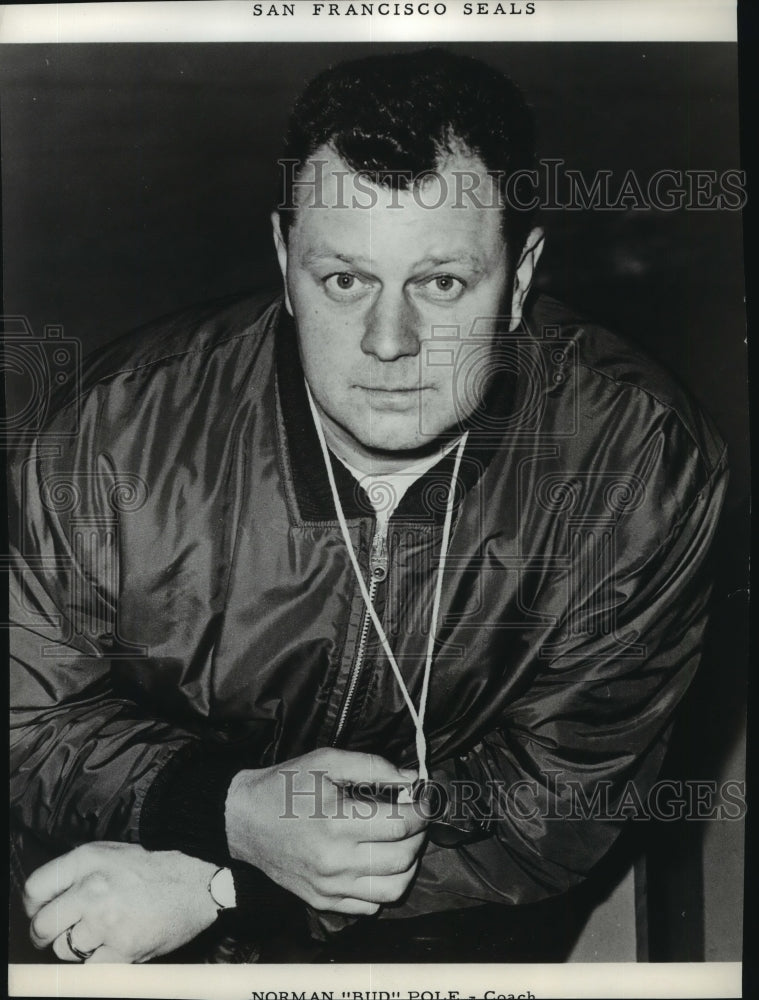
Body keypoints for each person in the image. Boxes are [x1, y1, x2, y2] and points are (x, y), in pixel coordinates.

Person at [9, 48, 728, 964]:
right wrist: (223, 810)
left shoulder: (640, 463)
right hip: (127, 860)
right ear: (283, 258)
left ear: (520, 274)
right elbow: (27, 721)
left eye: (440, 283)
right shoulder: (109, 437)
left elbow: (560, 802)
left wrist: (228, 886)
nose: (390, 343)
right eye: (344, 280)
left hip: (436, 903)